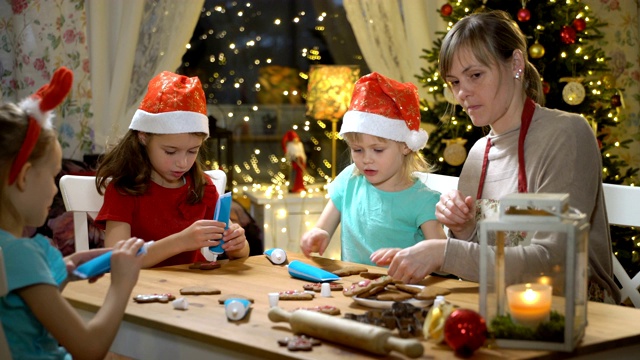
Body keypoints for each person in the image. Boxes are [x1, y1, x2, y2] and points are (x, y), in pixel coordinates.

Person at [382, 10, 620, 304]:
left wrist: (444, 252)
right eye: (455, 82)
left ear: (516, 64)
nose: (463, 93)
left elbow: (553, 263)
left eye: (476, 75)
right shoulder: (479, 153)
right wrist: (465, 229)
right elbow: (486, 265)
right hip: (504, 308)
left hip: (578, 316)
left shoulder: (566, 135)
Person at [0, 66, 146, 359]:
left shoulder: (8, 250)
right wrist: (121, 285)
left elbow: (24, 304)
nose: (55, 190)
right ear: (25, 176)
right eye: (54, 176)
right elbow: (90, 348)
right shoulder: (18, 255)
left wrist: (68, 267)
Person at [95, 71, 249, 268]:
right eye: (170, 152)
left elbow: (239, 254)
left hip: (192, 291)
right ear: (143, 137)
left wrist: (238, 243)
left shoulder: (202, 187)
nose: (183, 163)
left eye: (192, 151)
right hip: (141, 292)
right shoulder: (124, 189)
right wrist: (181, 242)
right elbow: (118, 260)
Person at [300, 72, 446, 266]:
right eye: (357, 150)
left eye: (377, 150)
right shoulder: (348, 180)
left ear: (406, 146)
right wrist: (317, 234)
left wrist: (410, 257)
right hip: (352, 288)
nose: (366, 159)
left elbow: (444, 259)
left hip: (402, 292)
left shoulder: (423, 200)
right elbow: (322, 228)